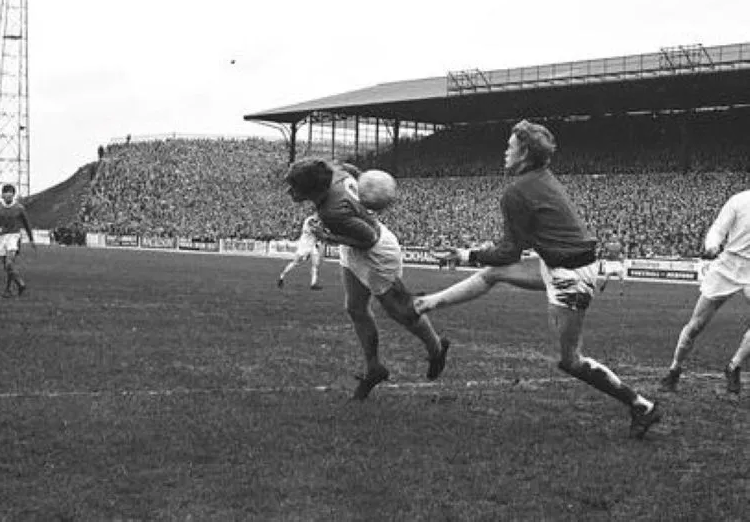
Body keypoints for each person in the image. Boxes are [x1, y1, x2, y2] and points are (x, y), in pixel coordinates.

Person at [413, 120, 661, 439]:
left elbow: (508, 253)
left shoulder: (517, 192)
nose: (505, 152)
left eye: (510, 146)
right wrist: (477, 254)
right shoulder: (539, 179)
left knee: (571, 361)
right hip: (561, 265)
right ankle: (426, 303)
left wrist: (465, 255)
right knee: (493, 275)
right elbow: (512, 251)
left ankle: (641, 405)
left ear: (525, 152)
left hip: (570, 276)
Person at [284, 158, 450, 400]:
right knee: (355, 308)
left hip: (376, 255)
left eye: (295, 187)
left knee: (401, 312)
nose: (290, 191)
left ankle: (437, 348)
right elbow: (351, 171)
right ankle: (375, 368)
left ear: (314, 189)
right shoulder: (335, 172)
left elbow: (370, 238)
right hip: (353, 247)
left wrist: (331, 238)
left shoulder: (332, 211)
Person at [659, 189, 750, 395]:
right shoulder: (739, 200)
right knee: (696, 325)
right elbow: (718, 228)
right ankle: (674, 369)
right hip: (728, 266)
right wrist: (711, 245)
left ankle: (733, 366)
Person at [0, 184, 37, 297]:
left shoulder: (19, 208)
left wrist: (31, 239)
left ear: (13, 195)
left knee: (9, 263)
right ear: (2, 195)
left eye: (10, 193)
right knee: (7, 267)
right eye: (5, 193)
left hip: (14, 237)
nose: (8, 195)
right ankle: (9, 289)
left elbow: (27, 224)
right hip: (1, 238)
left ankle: (20, 283)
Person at [277, 214, 325, 290]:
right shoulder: (310, 220)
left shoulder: (318, 221)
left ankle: (313, 284)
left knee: (316, 265)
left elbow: (319, 232)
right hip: (304, 245)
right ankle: (281, 277)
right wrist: (321, 230)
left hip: (312, 245)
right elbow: (315, 229)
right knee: (295, 262)